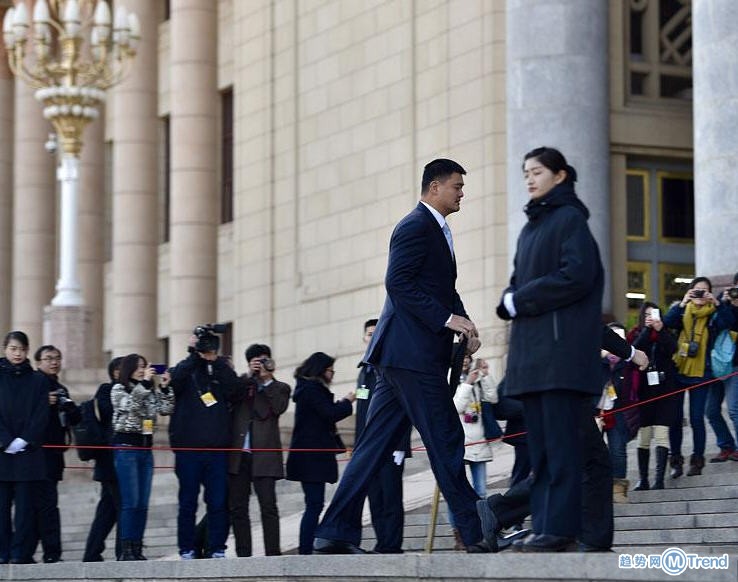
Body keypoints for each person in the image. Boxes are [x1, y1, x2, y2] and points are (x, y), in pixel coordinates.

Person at [313, 158, 492, 554]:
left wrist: (464, 322)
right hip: (412, 358)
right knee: (446, 439)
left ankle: (333, 533)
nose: (462, 193)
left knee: (372, 448)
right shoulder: (415, 226)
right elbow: (398, 283)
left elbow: (440, 287)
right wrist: (447, 320)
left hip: (400, 358)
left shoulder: (437, 230)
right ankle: (476, 531)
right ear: (434, 188)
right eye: (457, 186)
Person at [495, 147, 604, 553]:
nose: (529, 178)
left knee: (561, 451)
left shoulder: (570, 219)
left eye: (537, 171)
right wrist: (509, 297)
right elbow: (516, 281)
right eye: (525, 172)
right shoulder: (530, 228)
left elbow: (577, 275)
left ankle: (560, 529)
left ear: (559, 176)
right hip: (532, 359)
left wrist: (520, 299)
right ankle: (544, 526)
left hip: (560, 358)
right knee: (539, 452)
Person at [477, 324, 649, 553]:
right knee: (593, 463)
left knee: (568, 466)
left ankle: (499, 510)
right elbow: (588, 321)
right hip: (560, 382)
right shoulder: (564, 292)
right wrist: (631, 352)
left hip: (550, 380)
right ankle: (593, 540)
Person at [168, 331, 241, 560]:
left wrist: (216, 361)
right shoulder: (185, 369)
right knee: (188, 502)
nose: (208, 349)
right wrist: (194, 354)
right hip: (188, 450)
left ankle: (216, 547)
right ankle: (187, 548)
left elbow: (236, 391)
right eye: (204, 345)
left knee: (218, 502)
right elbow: (174, 381)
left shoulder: (219, 370)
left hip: (217, 450)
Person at [286, 352, 355, 554]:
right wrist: (347, 402)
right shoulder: (311, 389)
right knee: (314, 504)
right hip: (310, 458)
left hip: (311, 457)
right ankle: (306, 550)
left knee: (314, 504)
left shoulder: (309, 389)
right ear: (320, 370)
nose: (332, 373)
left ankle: (308, 547)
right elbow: (330, 413)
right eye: (330, 370)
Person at [354, 319, 411, 554]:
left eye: (376, 332)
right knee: (375, 497)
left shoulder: (390, 365)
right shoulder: (364, 370)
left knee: (391, 497)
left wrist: (401, 445)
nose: (372, 336)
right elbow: (361, 413)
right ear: (364, 338)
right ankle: (381, 542)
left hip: (390, 445)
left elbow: (405, 408)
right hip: (368, 447)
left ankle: (392, 543)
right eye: (368, 333)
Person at [228, 343, 291, 557]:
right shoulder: (242, 385)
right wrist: (249, 377)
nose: (262, 364)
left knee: (268, 507)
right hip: (239, 456)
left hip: (265, 455)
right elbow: (231, 397)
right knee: (238, 508)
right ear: (250, 363)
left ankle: (273, 552)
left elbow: (279, 407)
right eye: (258, 361)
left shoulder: (280, 387)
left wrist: (267, 381)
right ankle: (243, 553)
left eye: (266, 360)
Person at [111, 353, 174, 561]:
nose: (142, 370)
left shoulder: (148, 389)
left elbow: (165, 409)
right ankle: (126, 548)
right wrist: (146, 384)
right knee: (131, 501)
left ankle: (137, 547)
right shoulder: (118, 389)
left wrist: (164, 388)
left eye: (144, 366)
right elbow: (131, 406)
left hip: (146, 451)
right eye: (138, 367)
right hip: (127, 449)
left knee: (143, 503)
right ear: (129, 368)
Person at [0, 331, 50, 564]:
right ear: (5, 349)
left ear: (28, 350)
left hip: (28, 453)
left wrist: (24, 440)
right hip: (2, 453)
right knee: (1, 510)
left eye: (22, 349)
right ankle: (2, 552)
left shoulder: (38, 380)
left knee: (24, 511)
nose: (18, 353)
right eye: (13, 349)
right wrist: (6, 440)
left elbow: (42, 414)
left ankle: (20, 553)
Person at [663, 277, 719, 477]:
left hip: (702, 372)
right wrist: (684, 303)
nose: (700, 295)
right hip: (679, 369)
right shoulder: (682, 310)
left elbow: (728, 322)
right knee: (675, 418)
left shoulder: (714, 314)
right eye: (696, 291)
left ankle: (697, 461)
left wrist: (717, 303)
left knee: (696, 418)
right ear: (690, 291)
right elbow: (666, 323)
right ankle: (676, 461)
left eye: (704, 291)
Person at [33, 345, 81, 563]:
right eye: (49, 358)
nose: (54, 362)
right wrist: (44, 402)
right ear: (38, 362)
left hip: (54, 454)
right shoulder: (33, 385)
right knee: (37, 505)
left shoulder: (61, 389)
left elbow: (73, 420)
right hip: (34, 454)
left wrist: (71, 410)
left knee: (48, 504)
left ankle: (50, 552)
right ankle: (36, 551)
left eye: (58, 358)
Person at [627, 302, 678, 491]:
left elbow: (673, 348)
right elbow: (634, 351)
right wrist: (647, 331)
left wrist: (661, 330)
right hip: (644, 392)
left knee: (662, 434)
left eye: (654, 314)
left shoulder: (666, 332)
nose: (651, 318)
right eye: (647, 315)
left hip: (665, 391)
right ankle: (643, 479)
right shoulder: (636, 334)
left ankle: (659, 479)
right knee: (644, 436)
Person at [82, 356, 124, 562]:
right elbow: (108, 412)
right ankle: (123, 551)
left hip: (121, 461)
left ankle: (92, 552)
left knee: (107, 512)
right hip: (110, 461)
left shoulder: (134, 390)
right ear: (116, 372)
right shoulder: (107, 390)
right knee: (123, 506)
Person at [599, 324, 638, 504]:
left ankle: (618, 489)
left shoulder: (628, 364)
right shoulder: (596, 360)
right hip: (595, 412)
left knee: (618, 450)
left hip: (618, 412)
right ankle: (597, 489)